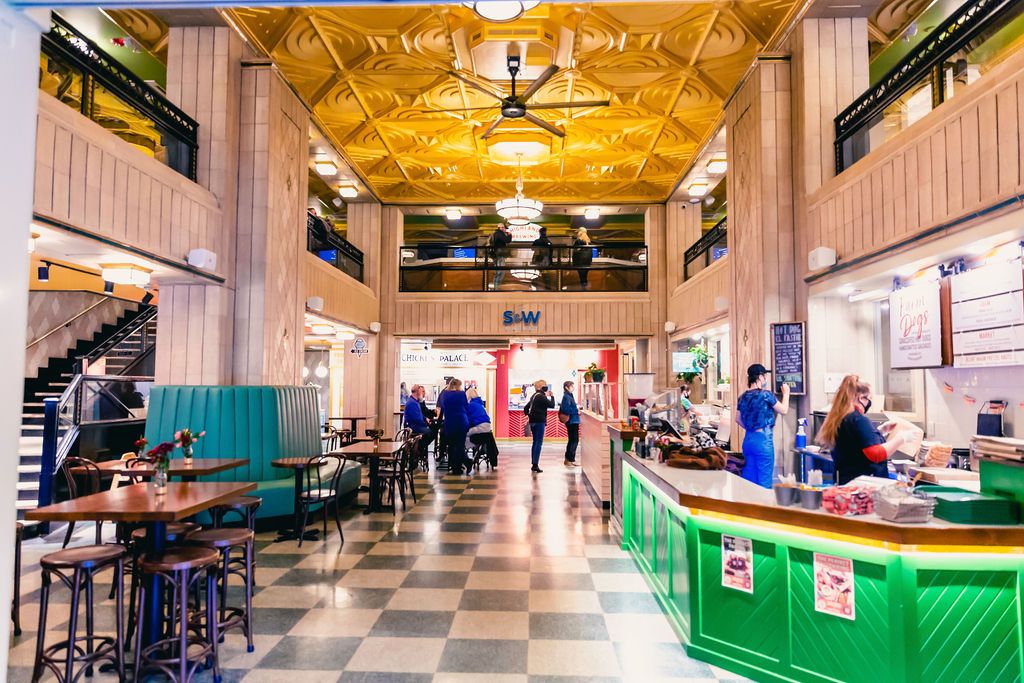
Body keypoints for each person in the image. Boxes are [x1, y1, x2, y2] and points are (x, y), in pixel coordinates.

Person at [816, 375, 917, 485]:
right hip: (863, 487)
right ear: (861, 398)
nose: (869, 403)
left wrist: (880, 431)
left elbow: (855, 444)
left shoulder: (840, 417)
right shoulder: (858, 419)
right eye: (869, 399)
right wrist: (901, 439)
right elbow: (875, 454)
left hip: (846, 483)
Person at [735, 363, 789, 488]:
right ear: (760, 377)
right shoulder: (765, 395)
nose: (765, 379)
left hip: (748, 440)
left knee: (749, 483)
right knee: (764, 483)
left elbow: (738, 419)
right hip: (763, 441)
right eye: (765, 376)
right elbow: (784, 410)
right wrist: (786, 394)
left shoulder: (742, 397)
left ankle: (748, 506)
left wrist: (751, 427)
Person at [440, 378, 471, 474]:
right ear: (458, 385)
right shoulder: (461, 394)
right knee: (460, 445)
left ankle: (455, 467)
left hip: (449, 423)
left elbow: (442, 407)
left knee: (452, 445)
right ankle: (467, 462)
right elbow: (466, 407)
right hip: (461, 422)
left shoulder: (444, 394)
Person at [525, 379, 555, 473]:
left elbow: (526, 408)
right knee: (539, 442)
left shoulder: (534, 396)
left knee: (535, 442)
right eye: (545, 385)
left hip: (533, 422)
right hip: (539, 422)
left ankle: (534, 463)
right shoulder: (541, 396)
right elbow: (552, 405)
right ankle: (535, 464)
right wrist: (552, 396)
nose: (546, 386)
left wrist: (528, 416)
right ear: (540, 387)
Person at [465, 388, 499, 469]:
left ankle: (464, 456)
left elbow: (467, 418)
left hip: (479, 428)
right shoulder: (479, 404)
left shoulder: (470, 405)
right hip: (487, 428)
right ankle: (478, 452)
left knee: (463, 435)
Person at [404, 384, 434, 462]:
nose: (422, 394)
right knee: (430, 432)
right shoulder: (412, 403)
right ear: (417, 392)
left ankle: (419, 449)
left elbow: (420, 415)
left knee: (432, 430)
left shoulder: (415, 401)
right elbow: (417, 419)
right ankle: (418, 450)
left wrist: (425, 418)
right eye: (421, 392)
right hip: (413, 427)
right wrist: (426, 425)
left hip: (416, 425)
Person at [560, 381, 581, 467]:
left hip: (574, 420)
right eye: (571, 386)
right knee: (574, 441)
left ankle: (568, 460)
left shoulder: (569, 396)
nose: (573, 388)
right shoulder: (566, 396)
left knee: (572, 440)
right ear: (566, 387)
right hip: (572, 421)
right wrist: (576, 410)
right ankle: (570, 459)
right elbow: (565, 409)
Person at [489, 223, 511, 290]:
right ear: (501, 228)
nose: (505, 230)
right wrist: (510, 235)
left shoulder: (495, 234)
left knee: (497, 272)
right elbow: (507, 240)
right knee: (500, 272)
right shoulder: (499, 234)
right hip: (500, 255)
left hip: (495, 255)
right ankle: (497, 288)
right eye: (504, 228)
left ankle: (496, 287)